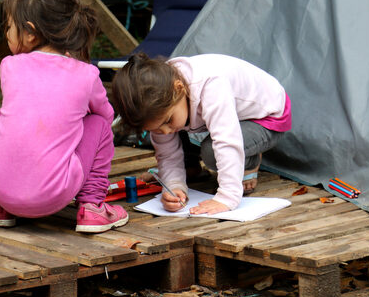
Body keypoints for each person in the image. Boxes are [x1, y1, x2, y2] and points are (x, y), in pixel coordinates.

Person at [0, 0, 128, 233]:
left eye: (9, 27)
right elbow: (106, 115)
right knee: (98, 124)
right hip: (53, 194)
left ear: (29, 32)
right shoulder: (85, 74)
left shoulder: (9, 66)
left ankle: (2, 206)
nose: (6, 33)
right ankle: (92, 207)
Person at [111, 52, 292, 215]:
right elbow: (166, 153)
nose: (165, 131)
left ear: (179, 88)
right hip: (231, 116)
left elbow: (226, 140)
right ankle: (191, 168)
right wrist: (174, 187)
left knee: (211, 152)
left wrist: (227, 197)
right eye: (155, 129)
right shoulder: (162, 100)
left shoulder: (211, 86)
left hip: (266, 117)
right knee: (176, 129)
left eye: (167, 120)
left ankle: (249, 161)